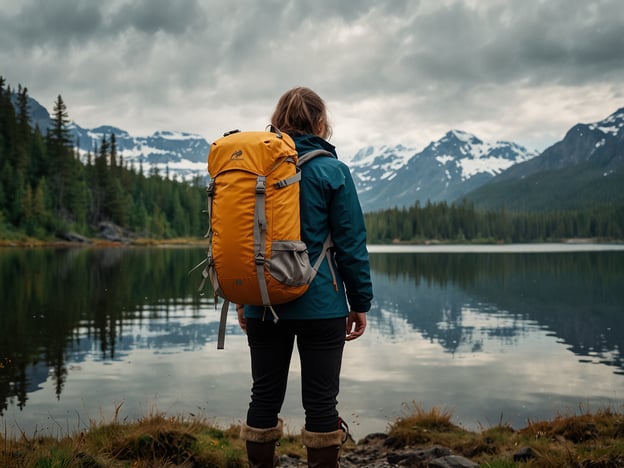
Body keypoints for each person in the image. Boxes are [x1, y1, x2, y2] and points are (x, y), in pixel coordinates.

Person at [237, 87, 373, 468]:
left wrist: (243, 298)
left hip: (264, 303)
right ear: (319, 122)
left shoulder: (254, 168)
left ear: (278, 120)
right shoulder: (333, 171)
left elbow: (240, 238)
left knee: (263, 396)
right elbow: (350, 244)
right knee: (321, 403)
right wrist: (359, 302)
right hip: (322, 305)